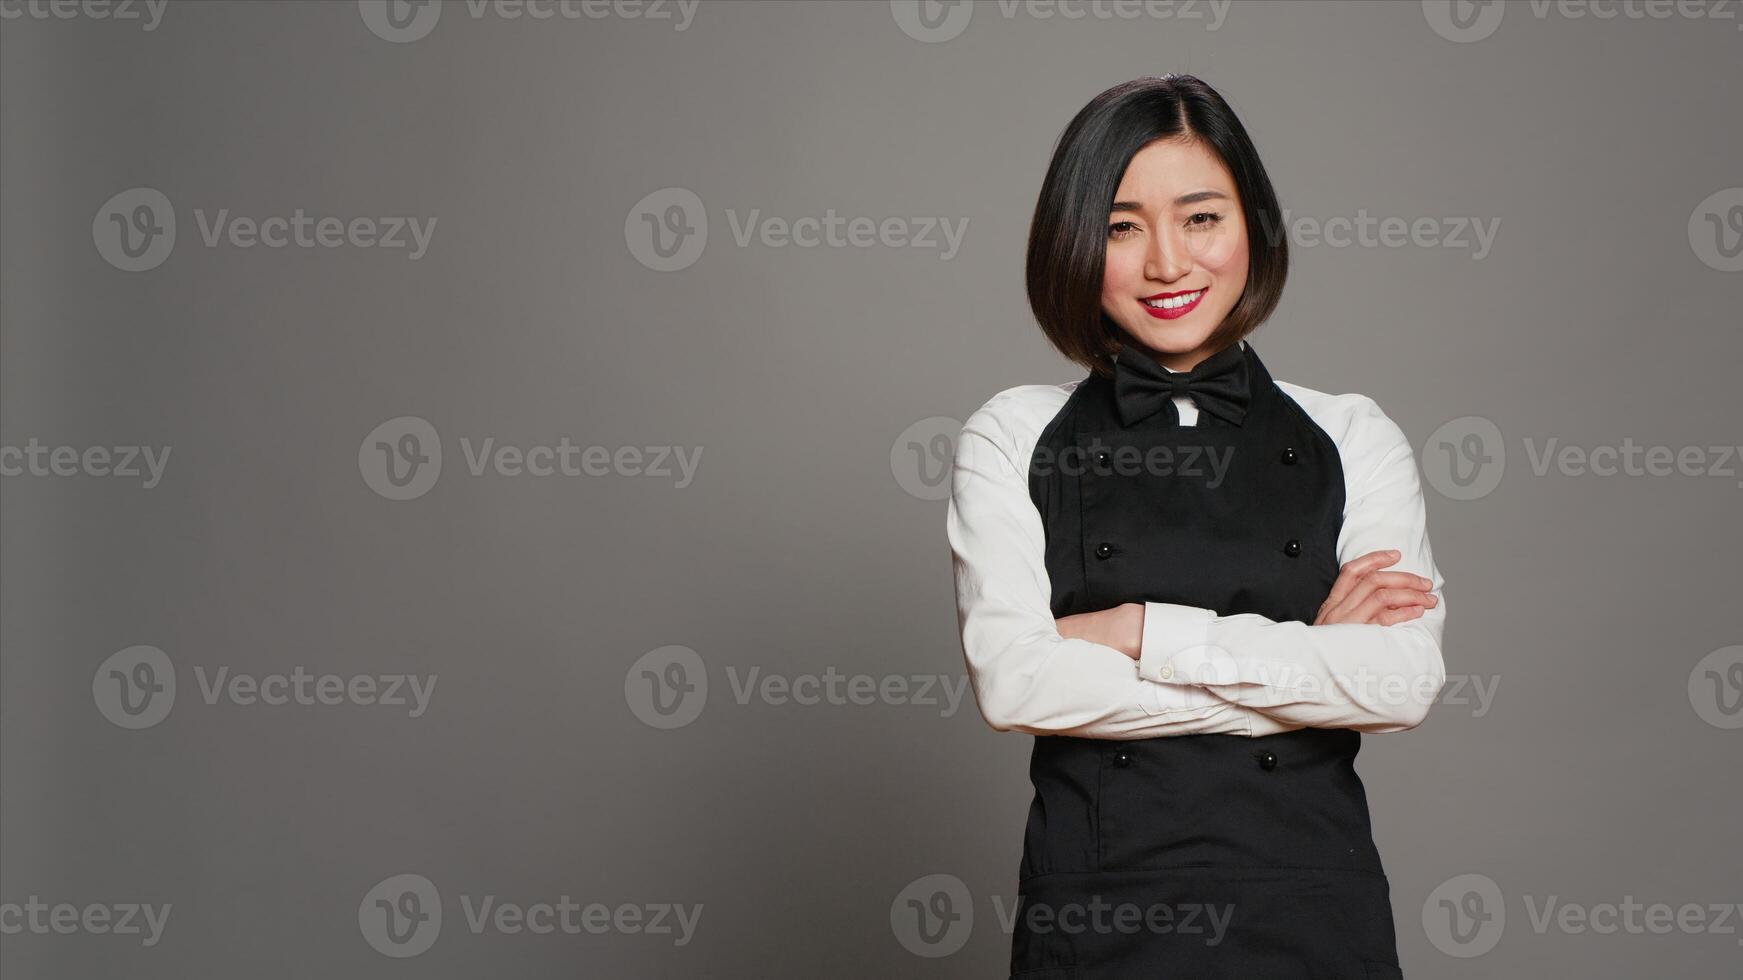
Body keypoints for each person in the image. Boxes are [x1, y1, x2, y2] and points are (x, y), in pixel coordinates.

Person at [945, 74, 1448, 979]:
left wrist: (1140, 632)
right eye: (1120, 226)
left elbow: (1398, 684)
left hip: (1311, 906)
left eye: (1200, 217)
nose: (1167, 262)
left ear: (1251, 222)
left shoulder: (1351, 433)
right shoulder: (1012, 433)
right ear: (1072, 243)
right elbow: (1016, 686)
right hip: (1098, 913)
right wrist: (1305, 670)